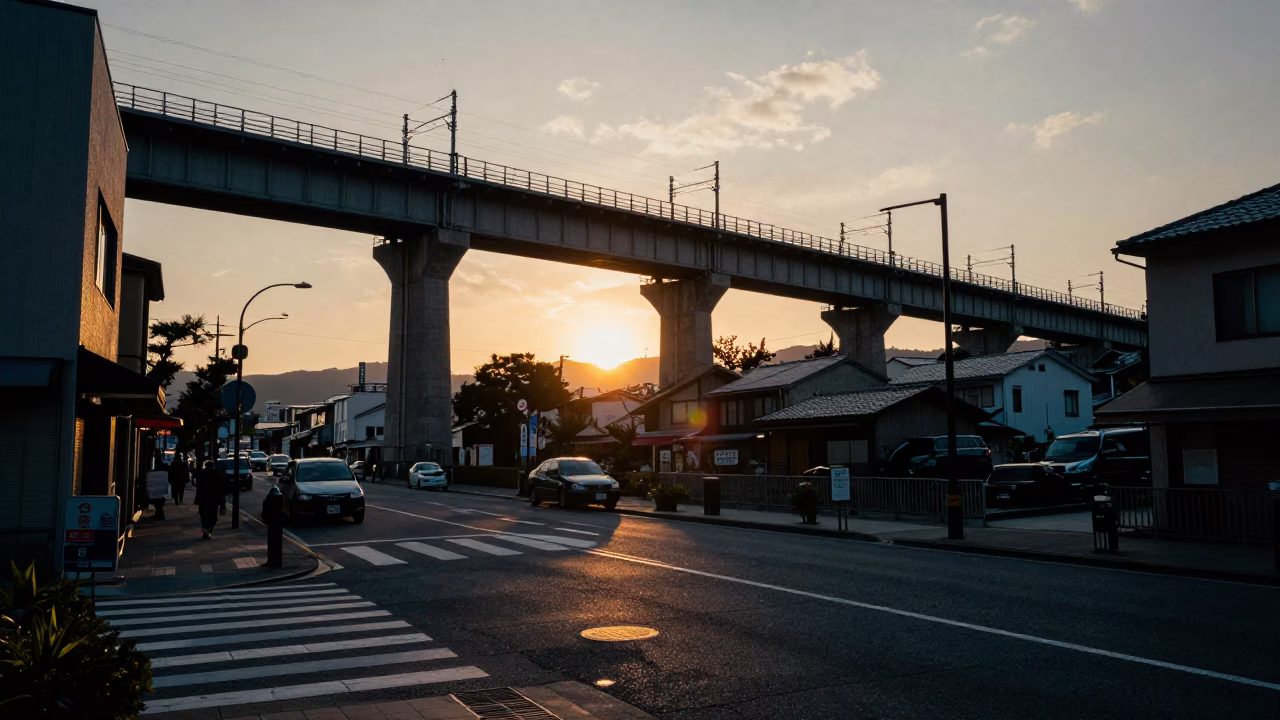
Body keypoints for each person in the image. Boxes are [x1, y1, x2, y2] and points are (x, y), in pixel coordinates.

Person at [194, 460, 225, 539]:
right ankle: (209, 529)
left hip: (203, 498)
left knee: (204, 515)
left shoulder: (202, 473)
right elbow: (222, 486)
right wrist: (222, 499)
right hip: (214, 498)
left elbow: (198, 486)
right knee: (213, 515)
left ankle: (205, 529)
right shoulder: (218, 473)